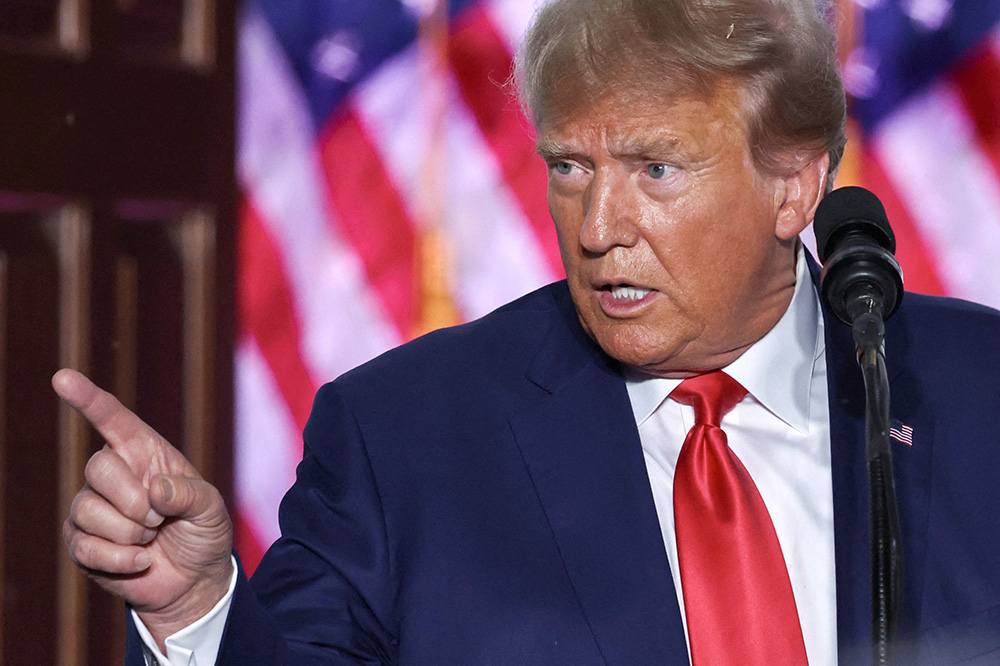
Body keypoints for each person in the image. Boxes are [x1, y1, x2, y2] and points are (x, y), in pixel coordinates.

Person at [59, 0, 1000, 664]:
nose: (597, 229)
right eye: (569, 168)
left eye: (655, 169)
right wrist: (199, 609)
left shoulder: (970, 388)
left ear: (793, 185)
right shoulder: (403, 435)